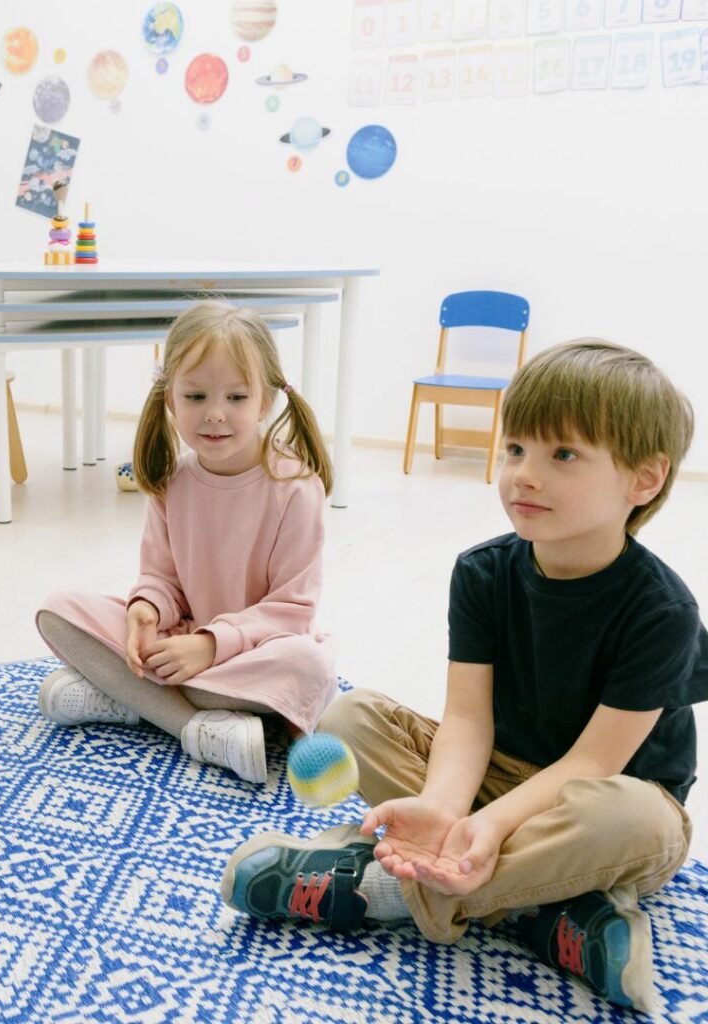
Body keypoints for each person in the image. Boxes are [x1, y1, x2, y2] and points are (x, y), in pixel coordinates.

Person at [222, 340, 707, 1010]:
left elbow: (595, 763)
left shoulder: (664, 611)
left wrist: (493, 823)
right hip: (494, 776)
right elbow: (469, 720)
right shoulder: (483, 572)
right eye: (515, 449)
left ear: (644, 480)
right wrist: (447, 809)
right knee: (349, 718)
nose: (522, 475)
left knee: (632, 820)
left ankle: (384, 891)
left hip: (602, 795)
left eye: (561, 455)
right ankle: (542, 910)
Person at [35, 301, 336, 783]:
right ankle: (192, 724)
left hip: (255, 654)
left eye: (236, 398)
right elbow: (161, 578)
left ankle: (130, 698)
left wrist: (211, 646)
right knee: (58, 610)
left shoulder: (296, 489)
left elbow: (291, 611)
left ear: (266, 401)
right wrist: (146, 612)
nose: (215, 414)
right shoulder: (172, 480)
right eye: (195, 396)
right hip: (182, 647)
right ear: (170, 399)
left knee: (309, 666)